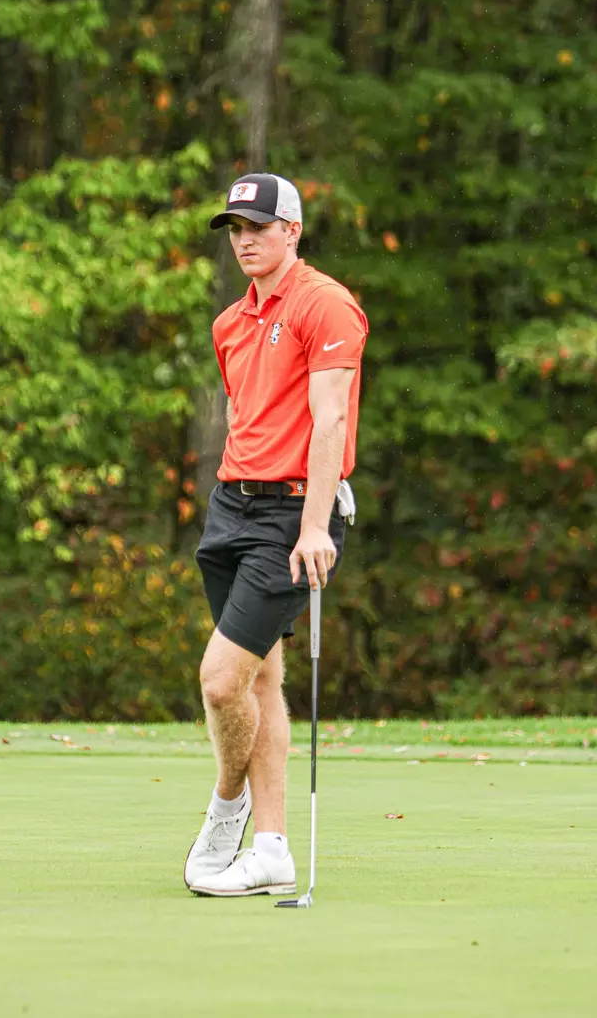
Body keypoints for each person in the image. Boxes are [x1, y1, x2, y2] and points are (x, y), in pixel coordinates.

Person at [184, 173, 368, 897]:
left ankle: (228, 806)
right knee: (258, 677)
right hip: (230, 508)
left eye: (258, 227)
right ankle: (271, 849)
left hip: (292, 518)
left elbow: (330, 421)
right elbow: (244, 416)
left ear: (291, 230)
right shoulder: (229, 322)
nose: (245, 241)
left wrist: (316, 525)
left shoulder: (326, 304)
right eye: (235, 229)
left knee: (221, 681)